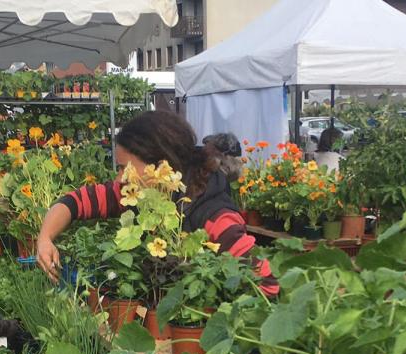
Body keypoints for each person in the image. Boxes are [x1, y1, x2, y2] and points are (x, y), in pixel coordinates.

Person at [36, 111, 278, 296]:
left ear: (159, 164)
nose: (119, 178)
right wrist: (45, 238)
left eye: (123, 168)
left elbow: (267, 285)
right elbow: (74, 202)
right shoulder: (143, 192)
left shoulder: (215, 215)